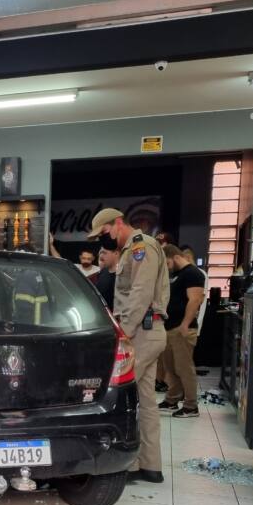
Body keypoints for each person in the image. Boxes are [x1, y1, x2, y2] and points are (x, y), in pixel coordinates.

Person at [88, 207, 169, 484]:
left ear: (118, 223)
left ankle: (128, 463)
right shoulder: (129, 251)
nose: (103, 239)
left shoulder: (140, 247)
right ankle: (150, 465)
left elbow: (140, 294)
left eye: (105, 232)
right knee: (145, 402)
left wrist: (125, 333)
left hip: (141, 332)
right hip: (148, 330)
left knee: (124, 397)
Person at [158, 244, 206, 418]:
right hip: (169, 328)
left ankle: (191, 406)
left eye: (167, 263)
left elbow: (194, 300)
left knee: (185, 368)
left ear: (175, 257)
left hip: (182, 328)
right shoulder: (176, 274)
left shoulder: (193, 273)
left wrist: (185, 324)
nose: (167, 267)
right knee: (170, 368)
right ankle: (172, 400)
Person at [95, 240, 120, 310]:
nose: (101, 255)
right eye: (100, 252)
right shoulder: (103, 271)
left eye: (104, 252)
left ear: (116, 253)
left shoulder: (122, 276)